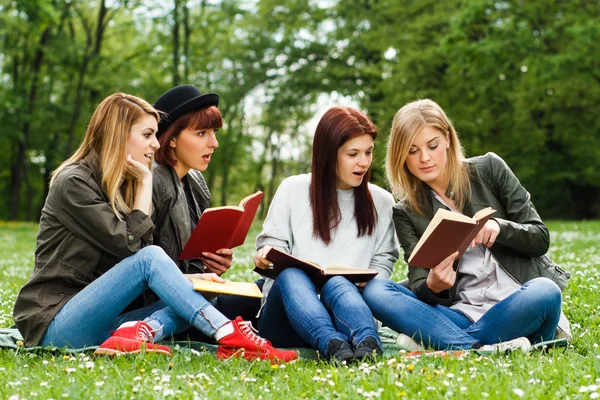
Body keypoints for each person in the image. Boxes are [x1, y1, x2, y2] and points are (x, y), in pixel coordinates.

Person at [12, 93, 297, 363]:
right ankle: (230, 336)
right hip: (56, 324)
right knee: (150, 257)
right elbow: (132, 247)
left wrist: (193, 280)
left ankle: (140, 332)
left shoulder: (120, 183)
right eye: (147, 135)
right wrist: (146, 183)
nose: (156, 144)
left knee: (203, 289)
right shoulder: (74, 183)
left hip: (105, 321)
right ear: (118, 136)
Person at [362, 98, 571, 352]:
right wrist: (433, 286)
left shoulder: (489, 169)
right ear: (401, 155)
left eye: (432, 145)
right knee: (376, 290)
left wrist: (500, 228)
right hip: (463, 313)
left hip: (519, 305)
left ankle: (443, 341)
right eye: (412, 150)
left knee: (546, 291)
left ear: (448, 139)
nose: (424, 158)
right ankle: (480, 348)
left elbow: (540, 238)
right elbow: (418, 282)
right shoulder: (406, 211)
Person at [254, 107, 399, 362]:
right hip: (287, 316)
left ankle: (368, 342)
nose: (364, 162)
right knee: (291, 274)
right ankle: (331, 344)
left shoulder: (381, 201)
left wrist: (370, 280)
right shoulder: (293, 190)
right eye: (353, 154)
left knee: (338, 282)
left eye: (368, 152)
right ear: (328, 154)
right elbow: (270, 248)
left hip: (347, 311)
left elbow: (384, 259)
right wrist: (266, 257)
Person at [151, 85, 263, 333]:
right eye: (201, 133)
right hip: (162, 301)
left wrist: (212, 264)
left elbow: (192, 259)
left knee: (264, 291)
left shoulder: (195, 182)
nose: (214, 143)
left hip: (197, 292)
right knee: (260, 303)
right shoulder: (152, 181)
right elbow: (141, 264)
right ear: (171, 139)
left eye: (213, 132)